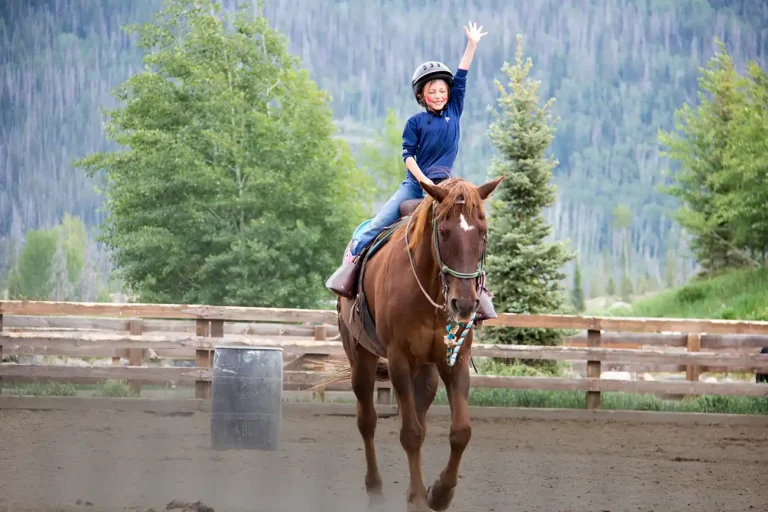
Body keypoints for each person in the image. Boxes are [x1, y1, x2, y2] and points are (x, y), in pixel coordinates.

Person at [325, 21, 497, 322]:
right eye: (432, 91)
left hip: (445, 188)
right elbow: (408, 156)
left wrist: (472, 44)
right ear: (421, 96)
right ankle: (350, 268)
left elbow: (462, 76)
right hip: (415, 185)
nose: (439, 95)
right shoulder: (415, 123)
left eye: (442, 90)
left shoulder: (454, 111)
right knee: (378, 224)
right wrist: (423, 180)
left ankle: (477, 293)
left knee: (464, 234)